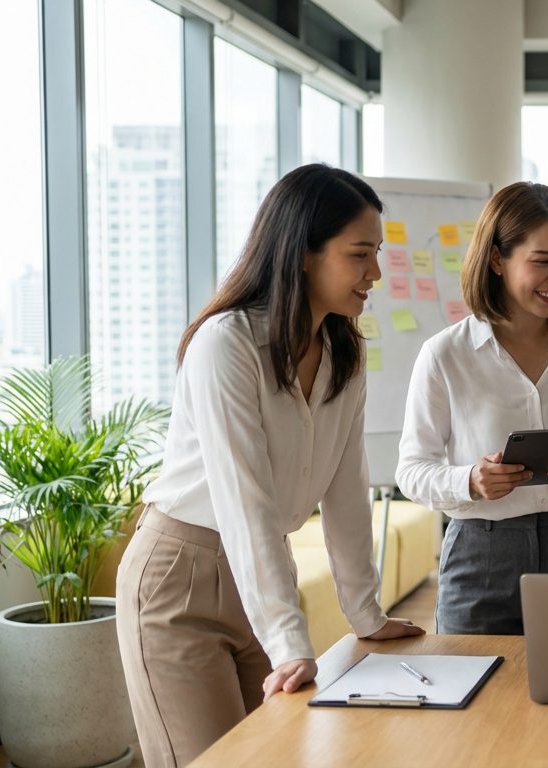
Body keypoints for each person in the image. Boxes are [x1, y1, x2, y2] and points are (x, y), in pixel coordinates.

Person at [115, 164, 424, 768]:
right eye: (360, 254)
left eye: (378, 253)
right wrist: (288, 643)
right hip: (181, 582)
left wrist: (366, 613)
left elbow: (345, 488)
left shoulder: (345, 352)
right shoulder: (224, 344)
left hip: (263, 572)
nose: (376, 274)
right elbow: (243, 501)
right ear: (303, 253)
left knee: (280, 756)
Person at [396, 181, 548, 635]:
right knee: (479, 698)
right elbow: (412, 470)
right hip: (480, 555)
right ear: (497, 260)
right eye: (542, 262)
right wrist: (470, 480)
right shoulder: (445, 354)